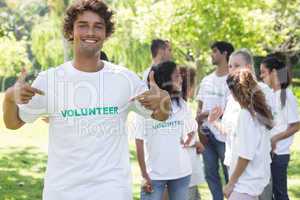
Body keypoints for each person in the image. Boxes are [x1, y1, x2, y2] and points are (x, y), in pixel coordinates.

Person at [2, 1, 171, 200]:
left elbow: (161, 116)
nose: (90, 32)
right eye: (82, 25)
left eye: (98, 26)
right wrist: (9, 98)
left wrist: (165, 99)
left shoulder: (125, 79)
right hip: (63, 193)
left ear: (106, 34)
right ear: (70, 31)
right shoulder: (49, 80)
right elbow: (13, 123)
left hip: (113, 192)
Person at [209, 48, 274, 200]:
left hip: (249, 173)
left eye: (236, 66)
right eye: (230, 66)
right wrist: (214, 122)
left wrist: (231, 183)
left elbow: (248, 150)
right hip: (237, 168)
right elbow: (233, 133)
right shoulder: (234, 97)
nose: (231, 70)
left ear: (249, 68)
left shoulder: (261, 94)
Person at [134, 61, 196, 200]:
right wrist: (144, 174)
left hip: (181, 174)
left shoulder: (182, 105)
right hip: (154, 176)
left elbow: (192, 129)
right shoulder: (144, 107)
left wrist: (189, 137)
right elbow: (138, 141)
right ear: (165, 79)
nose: (181, 79)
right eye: (176, 76)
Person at [196, 41, 234, 200]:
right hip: (206, 134)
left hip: (224, 135)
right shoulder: (206, 80)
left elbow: (232, 110)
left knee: (229, 173)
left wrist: (207, 115)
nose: (212, 54)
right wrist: (199, 124)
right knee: (210, 173)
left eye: (215, 51)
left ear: (225, 54)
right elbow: (199, 106)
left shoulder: (232, 81)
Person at [260, 56, 300, 200]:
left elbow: (296, 125)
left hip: (279, 154)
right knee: (268, 193)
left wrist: (275, 138)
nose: (261, 76)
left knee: (280, 194)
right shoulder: (271, 94)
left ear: (274, 72)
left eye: (263, 72)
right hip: (268, 153)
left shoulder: (286, 95)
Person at [180, 66, 206, 200]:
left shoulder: (185, 106)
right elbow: (181, 138)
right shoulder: (180, 108)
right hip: (185, 168)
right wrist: (197, 144)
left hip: (190, 166)